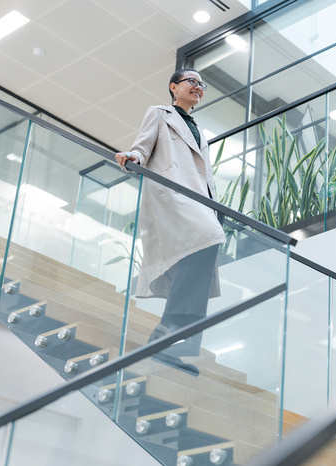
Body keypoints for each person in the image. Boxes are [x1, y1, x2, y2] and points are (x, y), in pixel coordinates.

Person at [116, 68, 225, 377]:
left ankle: (174, 343)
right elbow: (143, 144)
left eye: (202, 84)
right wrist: (134, 157)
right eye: (192, 81)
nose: (199, 87)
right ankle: (169, 332)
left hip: (201, 200)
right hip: (175, 193)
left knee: (204, 250)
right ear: (173, 87)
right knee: (210, 238)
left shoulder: (199, 129)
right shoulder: (160, 113)